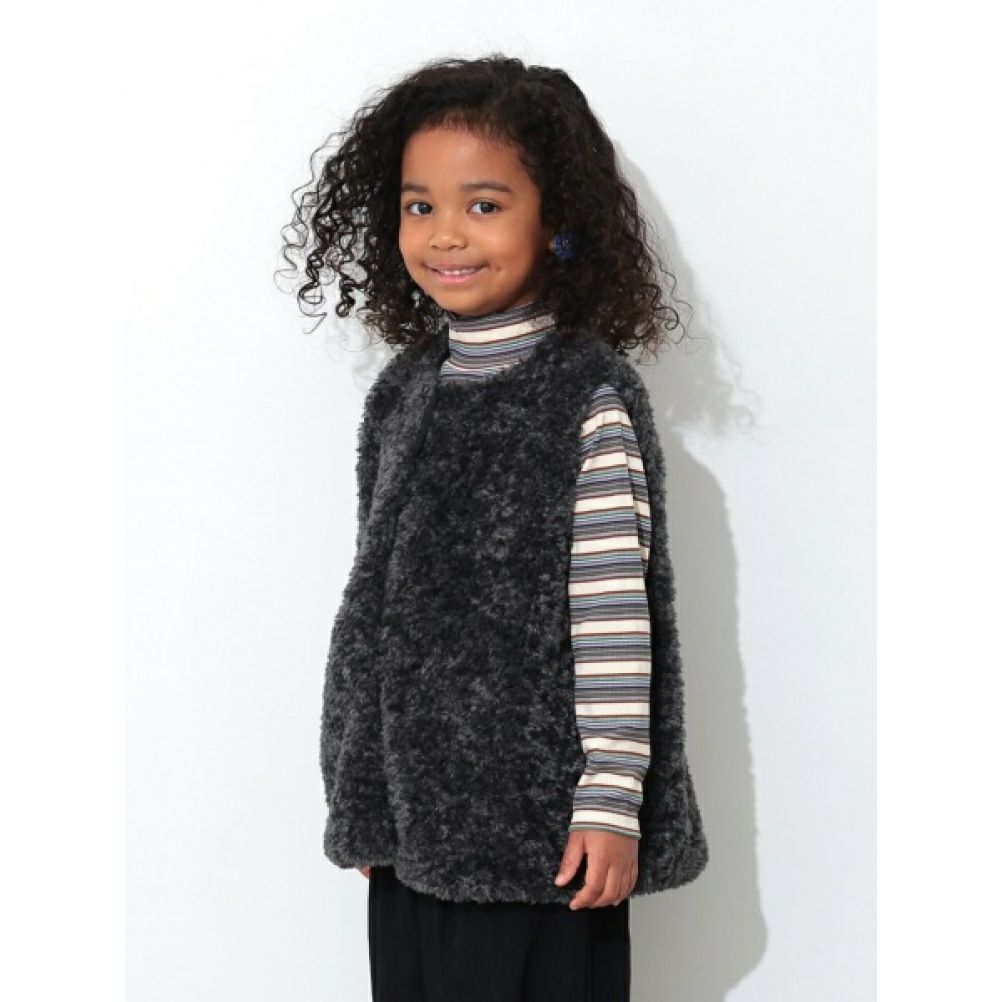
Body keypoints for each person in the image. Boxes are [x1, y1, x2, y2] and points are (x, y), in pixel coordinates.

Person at [279, 53, 709, 1002]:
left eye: (483, 204)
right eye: (418, 205)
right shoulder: (404, 392)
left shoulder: (583, 396)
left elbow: (614, 618)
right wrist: (366, 791)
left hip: (538, 833)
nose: (445, 234)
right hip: (414, 827)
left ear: (555, 219)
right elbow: (378, 611)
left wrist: (610, 801)